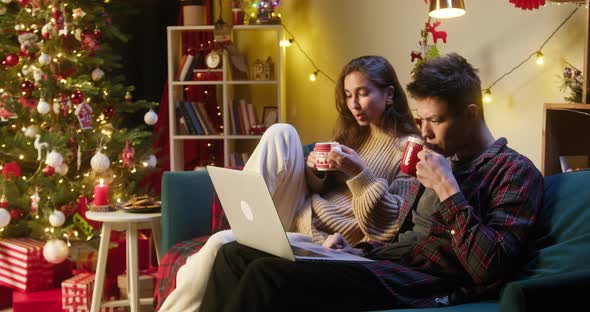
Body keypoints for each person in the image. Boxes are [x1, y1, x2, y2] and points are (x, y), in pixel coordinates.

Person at [200, 53, 544, 311]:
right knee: (233, 253)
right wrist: (355, 250)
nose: (423, 133)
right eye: (420, 119)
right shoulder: (434, 154)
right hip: (379, 261)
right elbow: (396, 231)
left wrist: (448, 190)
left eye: (434, 121)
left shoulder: (514, 172)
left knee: (267, 275)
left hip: (426, 282)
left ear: (471, 114)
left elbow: (489, 268)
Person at [157, 55, 420, 312]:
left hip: (329, 241)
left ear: (389, 94)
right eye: (349, 95)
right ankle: (242, 217)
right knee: (281, 132)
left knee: (219, 244)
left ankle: (232, 238)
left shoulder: (411, 148)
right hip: (301, 214)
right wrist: (315, 172)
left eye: (363, 93)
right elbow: (323, 191)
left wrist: (358, 172)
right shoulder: (354, 136)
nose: (354, 105)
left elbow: (390, 224)